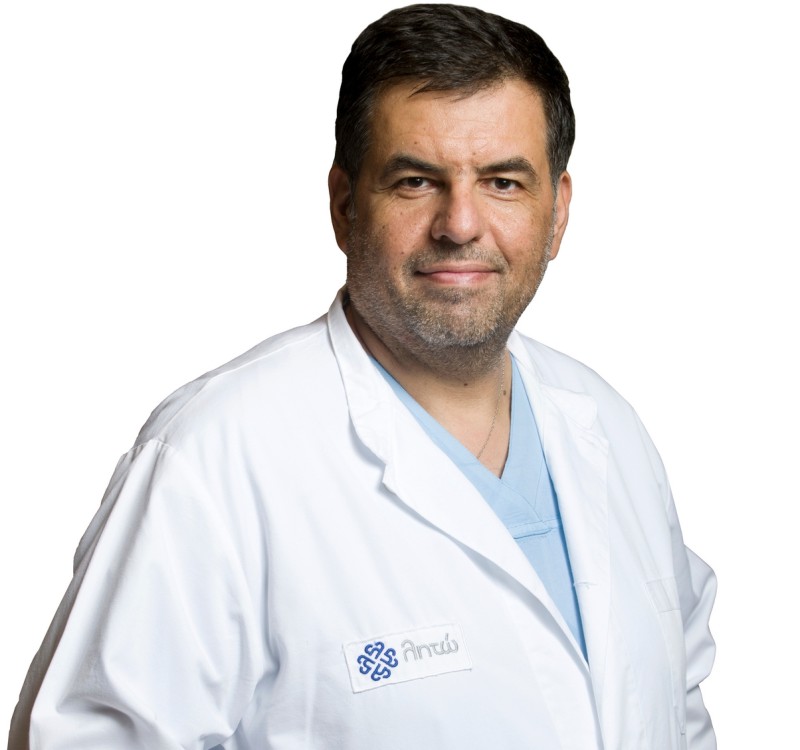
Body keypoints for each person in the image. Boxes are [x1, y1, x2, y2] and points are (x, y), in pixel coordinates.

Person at [8, 4, 716, 749]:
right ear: (344, 206)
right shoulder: (215, 458)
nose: (461, 224)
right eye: (415, 181)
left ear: (558, 212)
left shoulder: (609, 427)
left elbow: (679, 706)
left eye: (504, 182)